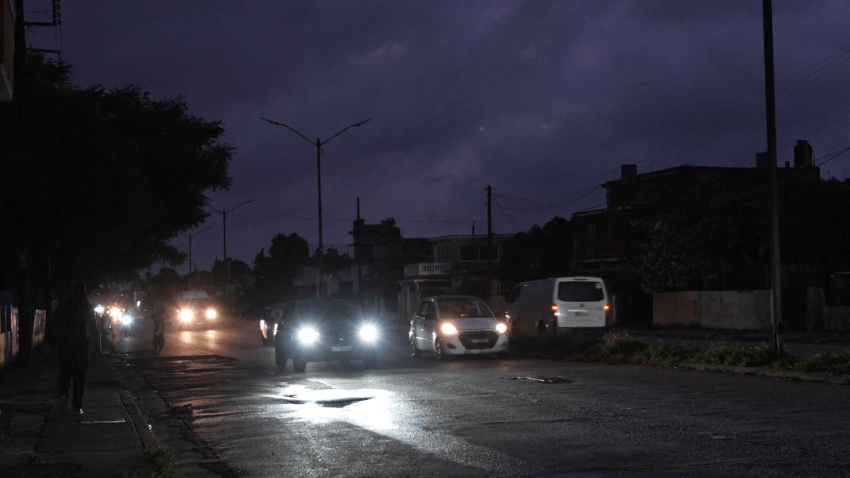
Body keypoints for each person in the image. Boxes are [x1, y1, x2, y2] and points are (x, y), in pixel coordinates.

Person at [55, 281, 100, 415]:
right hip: (80, 342)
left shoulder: (64, 304)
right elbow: (94, 327)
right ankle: (77, 406)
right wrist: (98, 347)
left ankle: (63, 398)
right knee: (80, 375)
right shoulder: (86, 306)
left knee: (65, 372)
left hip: (66, 342)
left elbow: (56, 321)